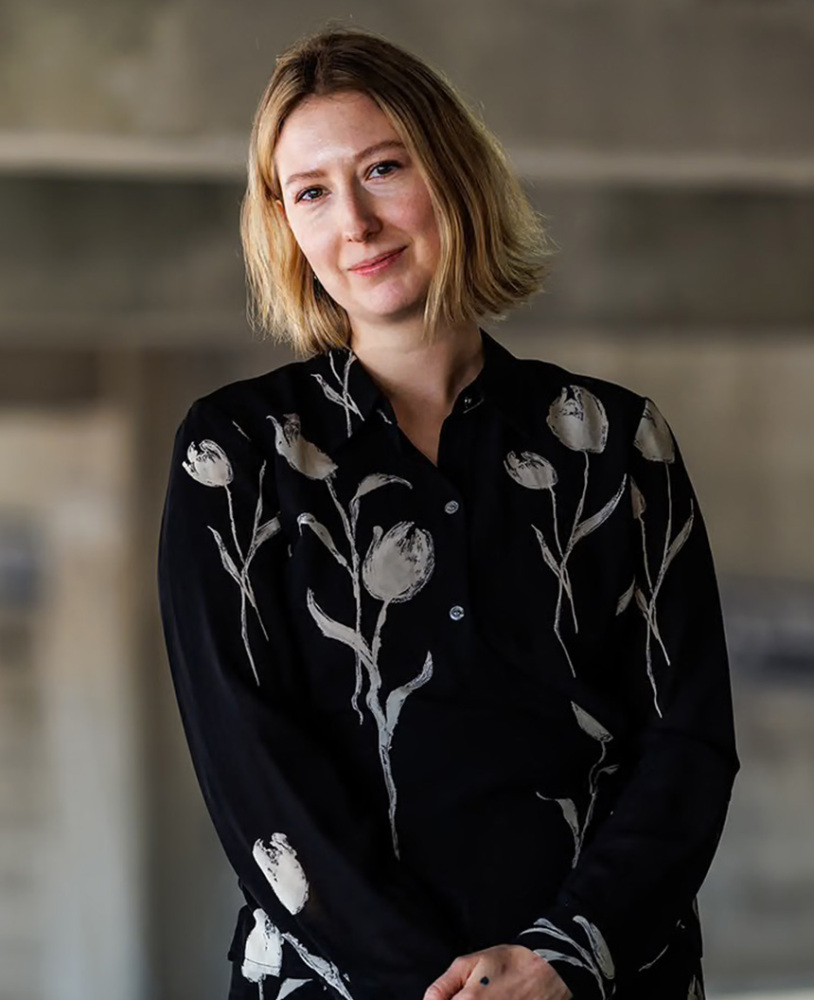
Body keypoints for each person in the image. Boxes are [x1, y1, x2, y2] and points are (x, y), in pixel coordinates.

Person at [157, 26, 739, 1000]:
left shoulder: (614, 441)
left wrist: (562, 958)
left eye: (383, 169)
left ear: (454, 173)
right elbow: (250, 768)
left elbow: (687, 743)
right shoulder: (238, 454)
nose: (356, 222)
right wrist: (429, 983)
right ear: (284, 224)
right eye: (311, 192)